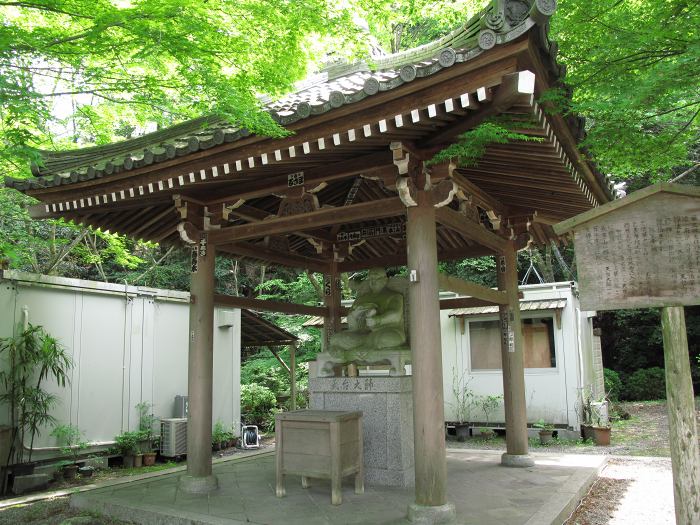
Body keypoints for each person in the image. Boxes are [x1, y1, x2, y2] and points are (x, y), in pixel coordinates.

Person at [329, 268, 406, 354]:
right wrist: (354, 315)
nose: (373, 281)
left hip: (386, 331)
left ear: (385, 280)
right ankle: (365, 344)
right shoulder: (361, 298)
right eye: (370, 279)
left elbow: (396, 315)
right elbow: (352, 327)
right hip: (363, 335)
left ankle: (360, 345)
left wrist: (377, 320)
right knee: (334, 339)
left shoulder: (394, 296)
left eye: (377, 278)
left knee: (387, 338)